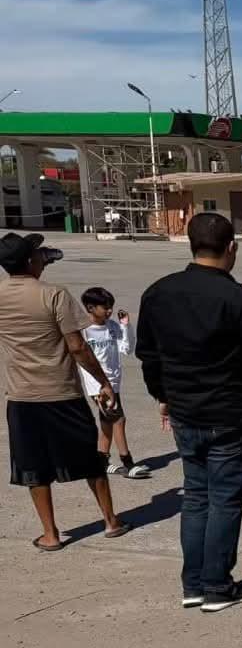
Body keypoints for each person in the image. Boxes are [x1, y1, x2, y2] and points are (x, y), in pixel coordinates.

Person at [136, 214, 242, 612]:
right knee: (224, 501)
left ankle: (193, 584)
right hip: (231, 416)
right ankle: (217, 587)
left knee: (196, 497)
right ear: (231, 248)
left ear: (191, 244)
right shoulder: (239, 300)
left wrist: (162, 395)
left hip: (186, 415)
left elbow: (149, 355)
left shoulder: (158, 293)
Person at [0, 232, 128, 551]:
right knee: (90, 460)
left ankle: (50, 534)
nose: (43, 257)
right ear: (30, 261)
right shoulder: (54, 295)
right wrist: (103, 381)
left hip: (22, 397)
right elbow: (78, 347)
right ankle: (111, 521)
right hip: (63, 394)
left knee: (33, 467)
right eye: (38, 254)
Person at [77, 287, 152, 479]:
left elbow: (126, 349)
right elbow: (81, 357)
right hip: (98, 385)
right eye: (105, 307)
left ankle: (101, 461)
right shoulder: (84, 330)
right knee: (118, 419)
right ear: (90, 308)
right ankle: (127, 462)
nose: (109, 310)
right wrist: (96, 385)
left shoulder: (112, 326)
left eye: (111, 306)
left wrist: (125, 326)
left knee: (107, 422)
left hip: (114, 382)